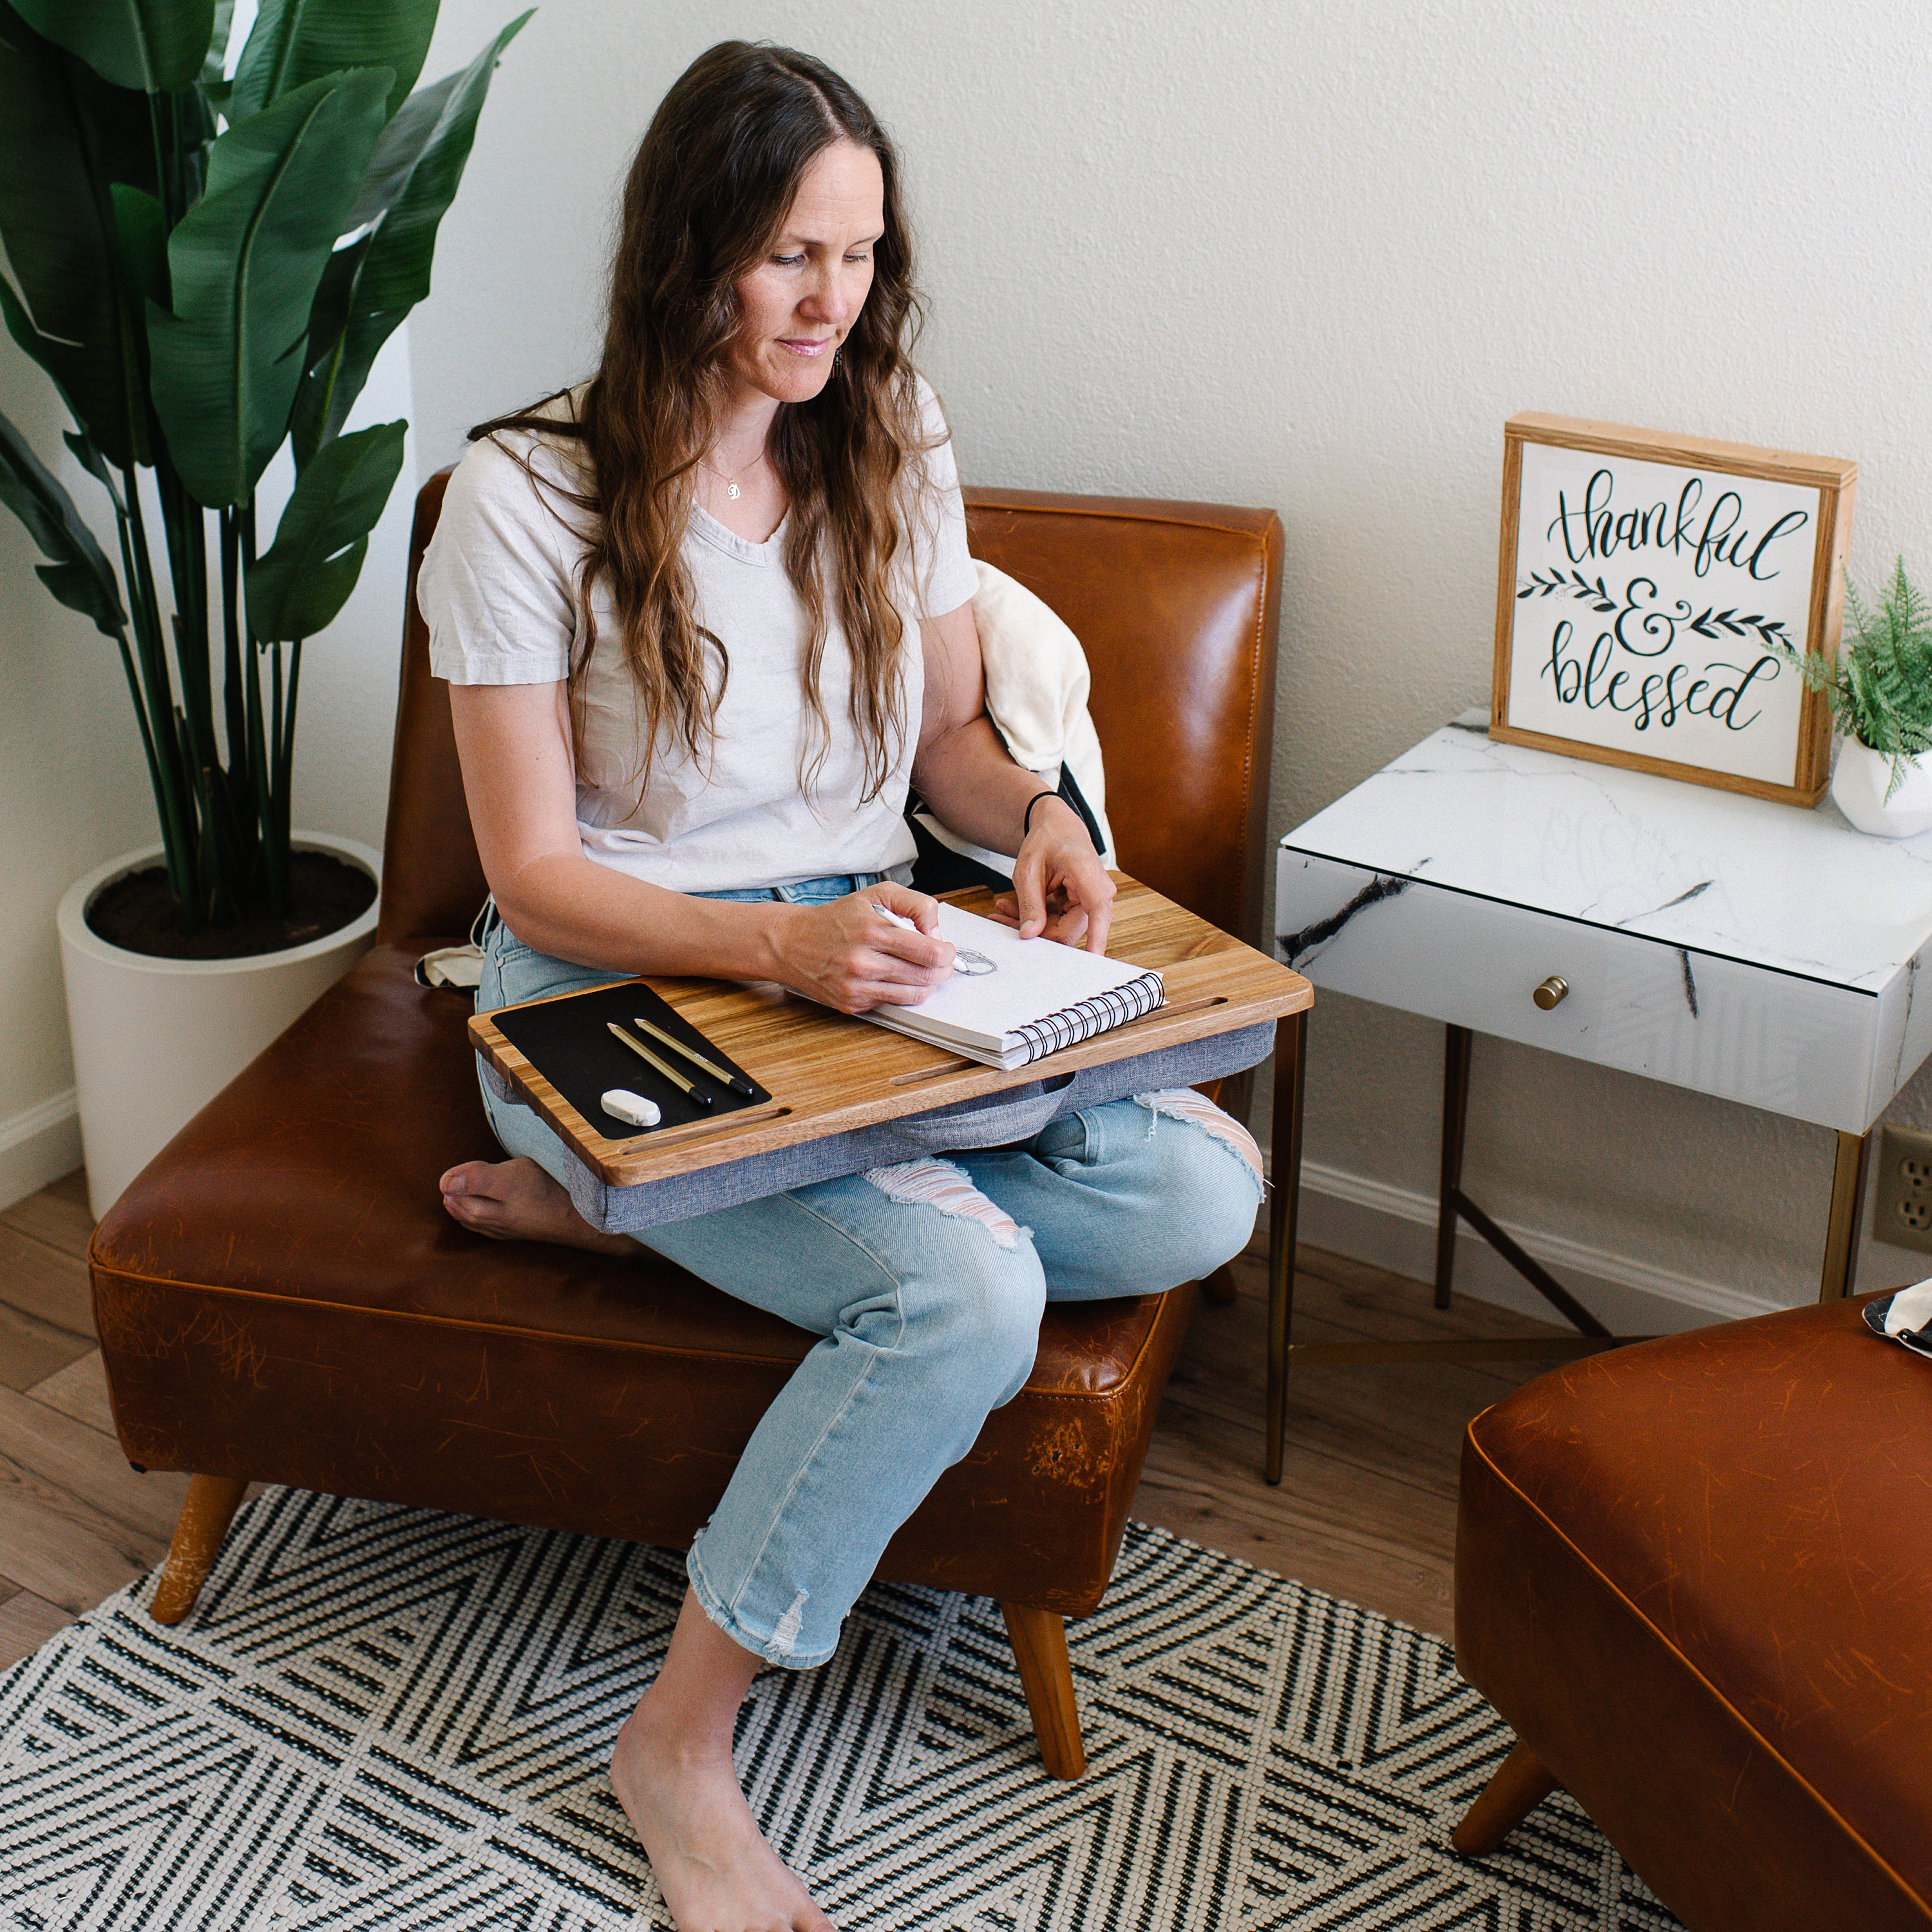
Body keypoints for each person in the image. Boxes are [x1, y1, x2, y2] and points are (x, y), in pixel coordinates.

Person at [419, 41, 1264, 1932]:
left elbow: (951, 739)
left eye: (864, 256)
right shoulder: (525, 497)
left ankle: (631, 1229)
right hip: (610, 988)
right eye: (791, 255)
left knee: (1208, 1185)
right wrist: (774, 943)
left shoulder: (895, 432)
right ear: (692, 244)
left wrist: (1036, 814)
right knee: (966, 1289)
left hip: (868, 968)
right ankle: (679, 1749)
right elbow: (533, 873)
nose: (832, 303)